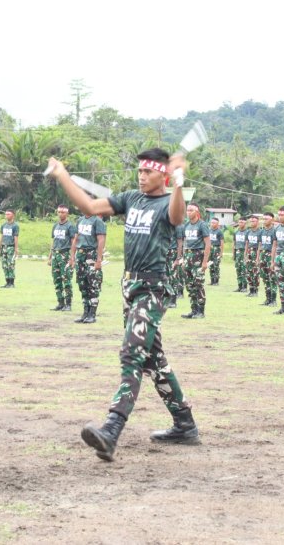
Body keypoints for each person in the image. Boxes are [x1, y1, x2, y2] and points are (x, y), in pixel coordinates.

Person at [47, 148, 198, 462]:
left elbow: (177, 216)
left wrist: (179, 180)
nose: (141, 176)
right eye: (139, 171)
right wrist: (62, 175)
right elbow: (89, 207)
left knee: (132, 353)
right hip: (130, 287)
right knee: (152, 358)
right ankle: (184, 424)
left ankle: (112, 429)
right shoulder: (131, 198)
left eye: (148, 172)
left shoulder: (168, 202)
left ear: (163, 174)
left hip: (154, 290)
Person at [70, 210, 106, 323]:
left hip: (92, 254)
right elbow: (75, 239)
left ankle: (92, 314)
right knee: (82, 284)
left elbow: (101, 240)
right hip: (80, 254)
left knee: (93, 284)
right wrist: (72, 257)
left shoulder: (97, 221)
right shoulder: (80, 220)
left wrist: (99, 259)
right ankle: (85, 313)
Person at [181, 204, 210, 318]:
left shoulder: (202, 225)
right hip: (188, 256)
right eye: (187, 210)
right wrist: (183, 259)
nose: (188, 212)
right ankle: (193, 310)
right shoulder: (186, 225)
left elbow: (208, 244)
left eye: (191, 210)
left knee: (198, 284)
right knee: (190, 285)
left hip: (198, 256)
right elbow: (185, 242)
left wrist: (204, 262)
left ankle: (201, 312)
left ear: (197, 212)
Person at [48, 205, 77, 311]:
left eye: (63, 212)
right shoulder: (55, 226)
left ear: (67, 213)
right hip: (55, 255)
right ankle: (60, 303)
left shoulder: (70, 226)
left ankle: (68, 304)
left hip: (65, 255)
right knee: (57, 280)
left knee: (66, 280)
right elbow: (53, 241)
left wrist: (72, 258)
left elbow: (74, 242)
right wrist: (50, 257)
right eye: (59, 212)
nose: (60, 214)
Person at [258, 213, 277, 306]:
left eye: (267, 218)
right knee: (265, 278)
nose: (264, 220)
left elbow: (275, 245)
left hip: (271, 255)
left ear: (272, 219)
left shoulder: (275, 231)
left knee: (272, 278)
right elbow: (260, 245)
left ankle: (273, 300)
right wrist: (258, 258)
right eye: (263, 219)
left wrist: (273, 260)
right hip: (263, 255)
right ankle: (268, 299)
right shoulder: (261, 231)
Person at [164, 224, 184, 308]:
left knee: (173, 277)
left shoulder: (177, 226)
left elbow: (180, 242)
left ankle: (173, 301)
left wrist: (178, 258)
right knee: (165, 277)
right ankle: (166, 299)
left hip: (173, 253)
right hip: (164, 252)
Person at [0, 209, 19, 288]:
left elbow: (16, 237)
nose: (6, 216)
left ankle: (11, 283)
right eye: (6, 214)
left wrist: (16, 248)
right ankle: (7, 282)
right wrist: (0, 246)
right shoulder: (3, 225)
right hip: (4, 247)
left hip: (11, 247)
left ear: (13, 215)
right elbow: (1, 236)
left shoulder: (15, 226)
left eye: (8, 214)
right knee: (4, 265)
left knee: (10, 265)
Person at [245, 215, 262, 297]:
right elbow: (247, 244)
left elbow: (260, 245)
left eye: (254, 221)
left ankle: (255, 291)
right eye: (251, 221)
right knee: (248, 272)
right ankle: (251, 290)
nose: (252, 223)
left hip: (256, 252)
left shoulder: (260, 232)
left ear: (257, 222)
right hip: (249, 252)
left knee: (255, 273)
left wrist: (258, 257)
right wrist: (245, 255)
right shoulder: (248, 232)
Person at [232, 218, 248, 292]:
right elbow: (234, 243)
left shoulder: (248, 232)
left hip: (244, 252)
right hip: (238, 252)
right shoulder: (236, 232)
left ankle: (244, 287)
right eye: (239, 222)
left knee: (244, 270)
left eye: (242, 222)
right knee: (238, 270)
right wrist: (233, 254)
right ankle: (240, 286)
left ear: (245, 223)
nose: (240, 224)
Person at [208, 217, 225, 286]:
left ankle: (216, 281)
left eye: (214, 223)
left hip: (216, 249)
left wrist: (221, 253)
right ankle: (212, 281)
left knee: (216, 265)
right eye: (211, 222)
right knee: (210, 265)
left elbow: (222, 243)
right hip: (210, 250)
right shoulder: (209, 231)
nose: (212, 224)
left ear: (217, 224)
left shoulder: (219, 232)